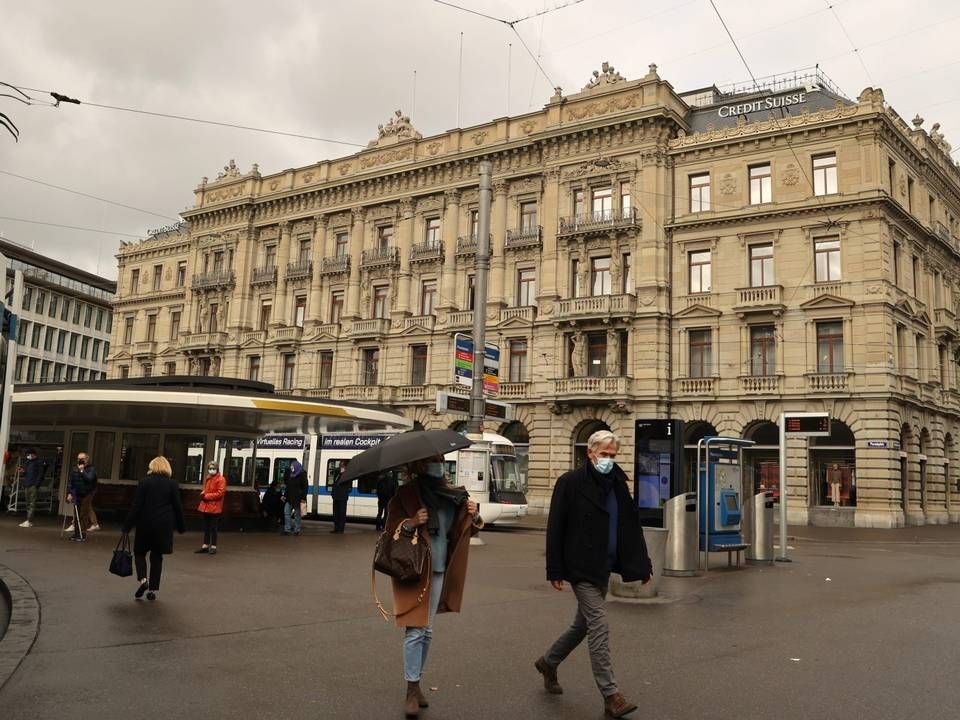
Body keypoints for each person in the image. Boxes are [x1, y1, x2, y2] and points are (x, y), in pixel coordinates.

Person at [536, 429, 652, 719]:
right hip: (581, 567)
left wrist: (643, 564)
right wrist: (555, 569)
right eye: (604, 455)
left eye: (613, 456)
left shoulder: (617, 484)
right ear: (590, 453)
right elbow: (556, 528)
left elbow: (630, 527)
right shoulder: (570, 483)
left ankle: (549, 662)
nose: (609, 460)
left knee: (583, 625)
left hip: (604, 565)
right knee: (599, 623)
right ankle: (611, 695)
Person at [384, 455, 482, 718]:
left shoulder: (453, 494)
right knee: (415, 630)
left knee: (426, 631)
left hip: (440, 568)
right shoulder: (405, 494)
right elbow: (390, 528)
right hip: (413, 568)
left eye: (440, 459)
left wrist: (474, 513)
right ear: (419, 465)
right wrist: (412, 522)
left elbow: (465, 531)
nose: (438, 464)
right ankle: (411, 689)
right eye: (432, 460)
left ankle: (416, 683)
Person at [122, 456, 186, 601]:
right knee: (157, 556)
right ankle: (152, 590)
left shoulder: (144, 482)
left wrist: (127, 526)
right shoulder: (172, 484)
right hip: (163, 525)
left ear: (152, 467)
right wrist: (181, 526)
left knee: (139, 553)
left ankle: (143, 580)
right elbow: (178, 507)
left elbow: (136, 506)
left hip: (145, 523)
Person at [195, 461, 226, 554]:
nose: (211, 470)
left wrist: (206, 496)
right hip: (207, 506)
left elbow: (220, 494)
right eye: (210, 468)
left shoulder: (221, 479)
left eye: (213, 468)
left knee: (213, 527)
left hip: (214, 507)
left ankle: (213, 546)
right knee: (207, 527)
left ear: (217, 469)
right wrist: (203, 493)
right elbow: (206, 490)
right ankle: (205, 545)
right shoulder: (208, 478)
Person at [66, 452, 99, 538]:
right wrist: (69, 493)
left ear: (86, 460)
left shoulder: (91, 469)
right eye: (78, 459)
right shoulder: (74, 469)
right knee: (76, 513)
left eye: (82, 459)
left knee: (83, 514)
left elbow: (90, 479)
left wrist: (82, 471)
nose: (80, 460)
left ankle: (82, 533)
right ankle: (77, 532)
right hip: (77, 493)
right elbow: (71, 482)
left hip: (87, 493)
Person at [18, 449, 43, 528]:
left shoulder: (38, 462)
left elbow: (40, 474)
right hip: (27, 484)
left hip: (33, 485)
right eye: (27, 455)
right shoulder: (28, 462)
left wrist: (36, 485)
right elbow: (26, 473)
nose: (28, 456)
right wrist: (22, 471)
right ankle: (29, 520)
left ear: (34, 454)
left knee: (31, 503)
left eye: (29, 454)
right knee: (28, 503)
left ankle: (29, 520)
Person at [282, 460, 308, 536]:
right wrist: (285, 495)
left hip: (298, 498)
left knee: (297, 515)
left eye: (292, 466)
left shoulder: (302, 475)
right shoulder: (291, 475)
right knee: (287, 513)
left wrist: (303, 498)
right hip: (289, 497)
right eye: (291, 466)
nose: (291, 468)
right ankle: (287, 529)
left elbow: (305, 488)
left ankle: (297, 530)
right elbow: (288, 487)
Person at [330, 460, 351, 534]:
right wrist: (332, 494)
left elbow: (346, 484)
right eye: (340, 465)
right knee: (336, 513)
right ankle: (336, 528)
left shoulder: (347, 475)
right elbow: (335, 484)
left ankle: (340, 529)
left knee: (341, 513)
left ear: (345, 467)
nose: (340, 467)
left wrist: (343, 473)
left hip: (342, 497)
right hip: (336, 496)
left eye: (341, 465)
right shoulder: (338, 474)